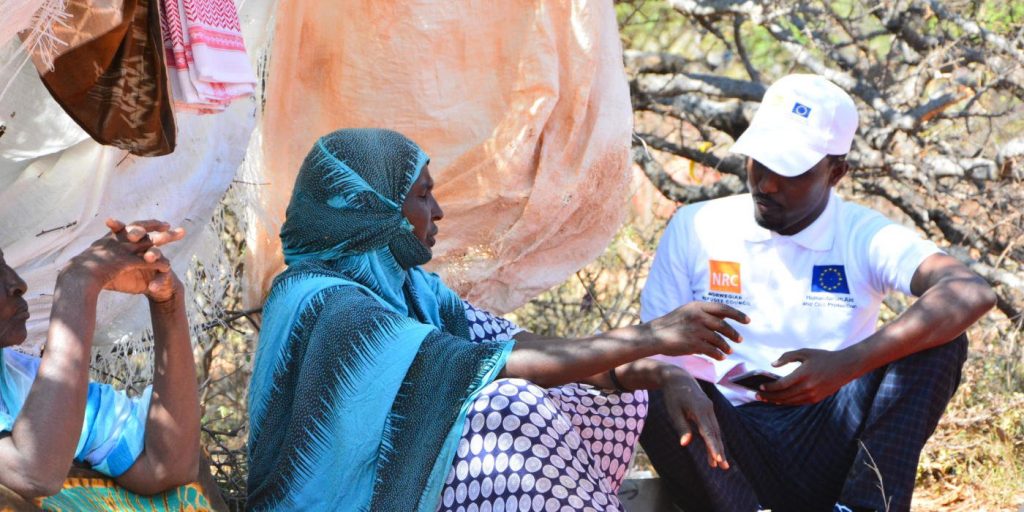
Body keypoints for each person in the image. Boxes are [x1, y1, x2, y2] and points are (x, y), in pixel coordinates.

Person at [246, 128, 749, 512]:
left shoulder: (412, 289)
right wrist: (655, 336)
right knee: (508, 404)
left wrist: (664, 369)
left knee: (593, 392)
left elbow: (523, 345)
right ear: (371, 209)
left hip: (412, 485)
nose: (438, 211)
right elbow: (501, 365)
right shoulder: (325, 302)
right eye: (422, 195)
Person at [638, 74, 997, 512]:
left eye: (790, 171)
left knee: (940, 343)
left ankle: (861, 507)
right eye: (760, 162)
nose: (766, 184)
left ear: (836, 172)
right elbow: (653, 357)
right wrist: (673, 374)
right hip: (727, 445)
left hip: (833, 440)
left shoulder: (864, 234)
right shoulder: (697, 226)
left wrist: (846, 364)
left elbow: (970, 292)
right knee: (647, 377)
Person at [0, 219, 212, 509]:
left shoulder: (19, 380)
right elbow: (34, 472)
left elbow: (165, 466)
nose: (17, 284)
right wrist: (77, 285)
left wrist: (167, 304)